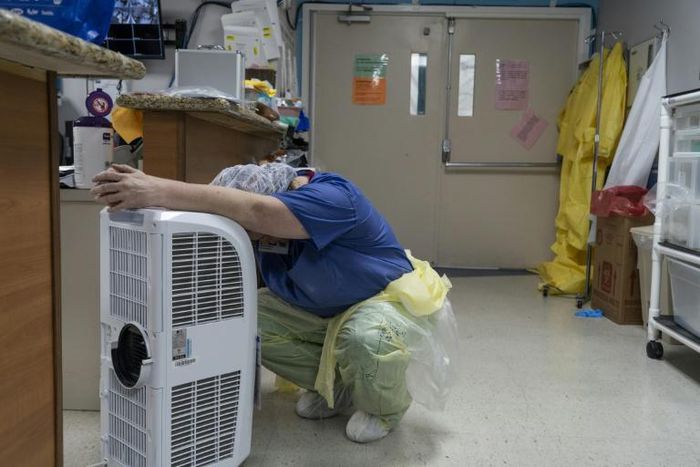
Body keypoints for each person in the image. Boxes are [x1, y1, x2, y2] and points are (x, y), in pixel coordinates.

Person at [92, 162, 453, 443]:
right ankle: (337, 386)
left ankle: (384, 408)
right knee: (243, 322)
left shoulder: (334, 195)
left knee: (365, 338)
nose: (250, 235)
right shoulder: (265, 233)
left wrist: (158, 188)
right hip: (322, 310)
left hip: (384, 301)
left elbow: (258, 212)